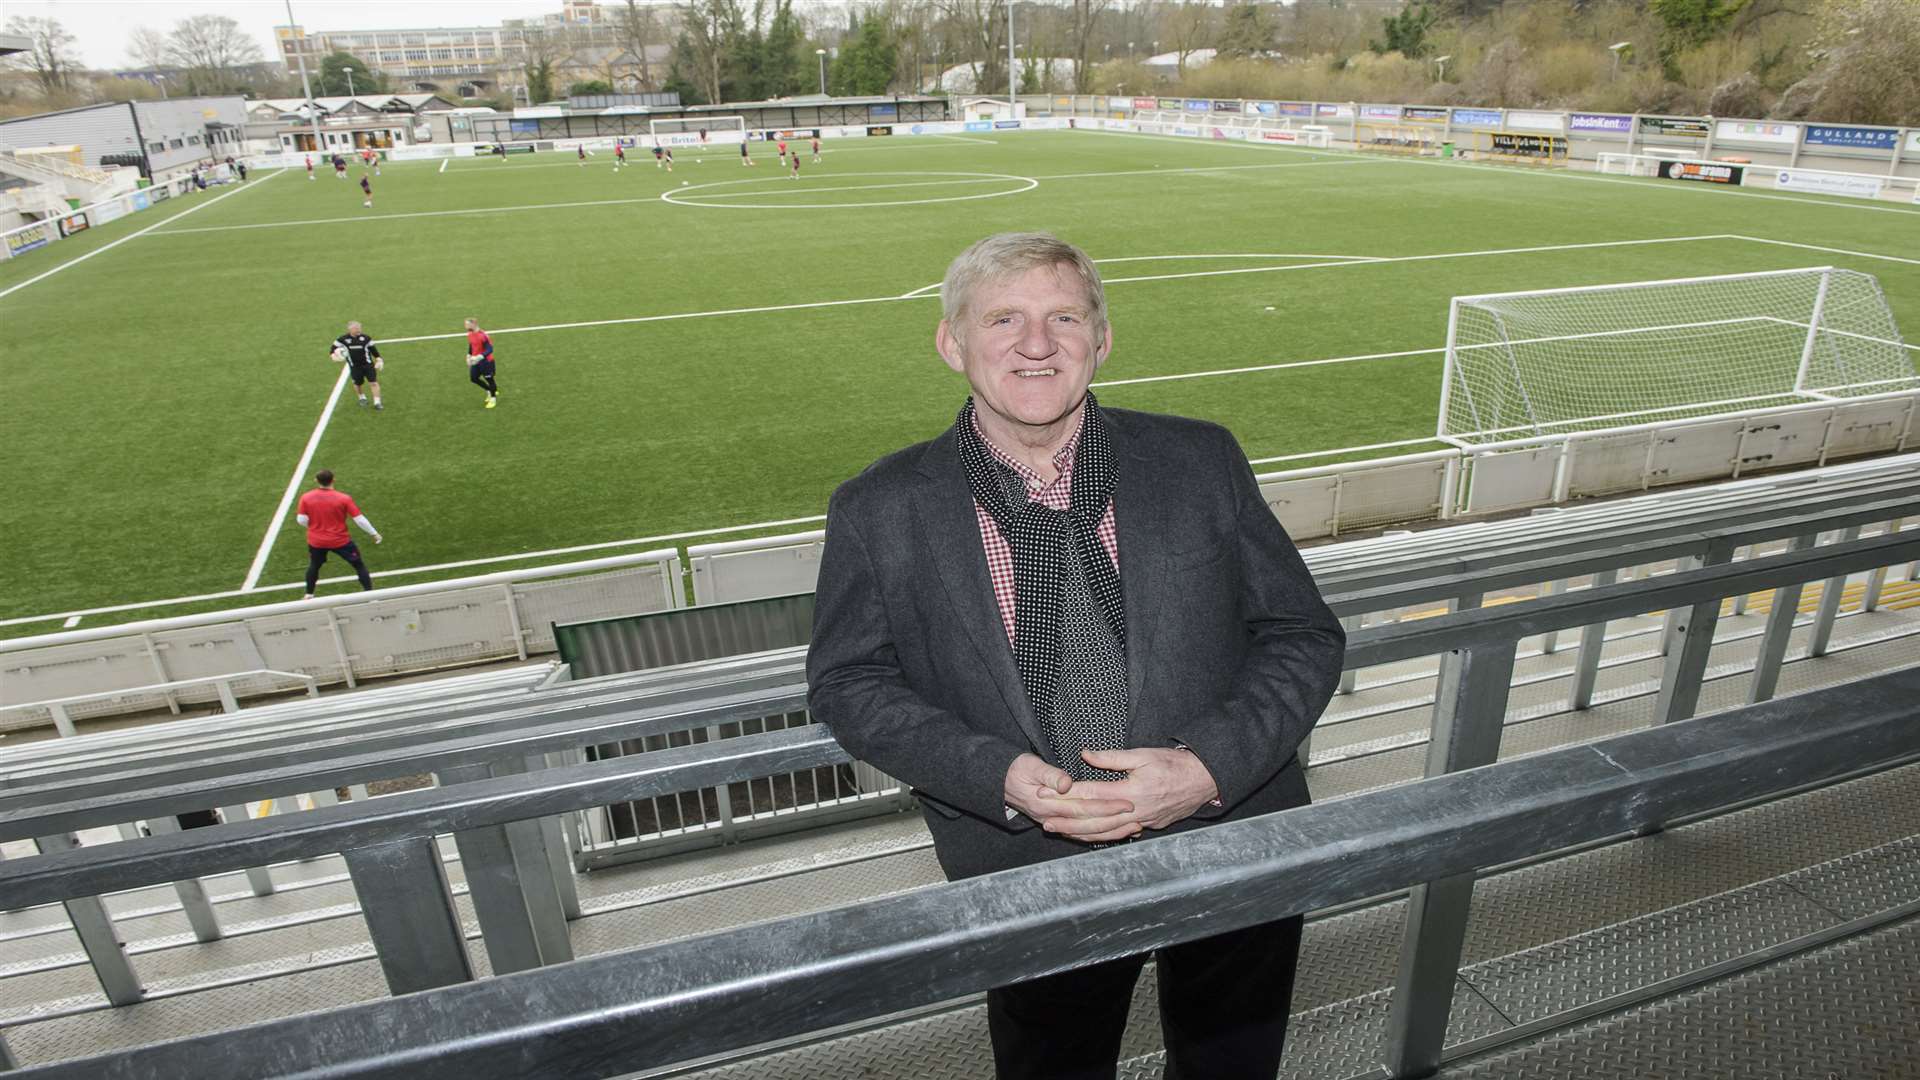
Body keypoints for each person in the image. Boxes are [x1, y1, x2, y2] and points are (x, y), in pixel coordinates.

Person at [806, 232, 1345, 1080]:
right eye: (1004, 319)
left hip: (1231, 841)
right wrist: (997, 775)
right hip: (1026, 869)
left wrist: (1206, 768)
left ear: (1102, 339)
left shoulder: (1200, 459)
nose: (1036, 343)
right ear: (953, 343)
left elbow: (1301, 635)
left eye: (1064, 316)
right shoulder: (881, 507)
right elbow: (849, 681)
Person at [295, 469, 381, 599]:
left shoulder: (306, 497)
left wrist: (315, 527)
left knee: (314, 565)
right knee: (359, 565)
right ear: (333, 480)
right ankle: (370, 595)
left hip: (316, 541)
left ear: (316, 481)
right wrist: (374, 533)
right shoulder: (343, 498)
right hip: (340, 540)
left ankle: (309, 594)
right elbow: (359, 519)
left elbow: (301, 520)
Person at [332, 320, 385, 409]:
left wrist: (379, 359)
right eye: (356, 328)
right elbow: (333, 349)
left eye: (359, 328)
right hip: (355, 366)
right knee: (358, 383)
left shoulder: (366, 338)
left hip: (368, 365)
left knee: (373, 382)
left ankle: (377, 402)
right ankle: (362, 398)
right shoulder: (342, 339)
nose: (359, 330)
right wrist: (333, 356)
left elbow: (373, 350)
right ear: (350, 329)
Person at [465, 317, 499, 409]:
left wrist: (479, 357)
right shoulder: (470, 334)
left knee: (490, 380)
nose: (465, 326)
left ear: (474, 324)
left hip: (486, 362)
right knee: (473, 378)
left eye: (467, 324)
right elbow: (472, 345)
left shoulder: (483, 336)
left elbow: (490, 349)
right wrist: (468, 355)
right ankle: (489, 390)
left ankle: (493, 398)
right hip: (476, 362)